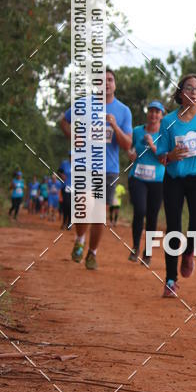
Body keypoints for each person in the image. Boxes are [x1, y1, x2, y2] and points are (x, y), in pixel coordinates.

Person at [60, 68, 132, 270]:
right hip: (84, 165)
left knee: (99, 213)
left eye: (110, 80)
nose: (106, 83)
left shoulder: (123, 111)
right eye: (102, 80)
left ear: (114, 85)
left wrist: (115, 126)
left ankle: (92, 253)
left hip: (108, 169)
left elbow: (127, 144)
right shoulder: (83, 104)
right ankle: (80, 238)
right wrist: (74, 136)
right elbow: (64, 122)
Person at [155, 74, 196, 298]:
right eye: (189, 88)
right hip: (173, 179)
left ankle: (189, 252)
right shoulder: (167, 122)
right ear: (181, 93)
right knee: (173, 228)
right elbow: (161, 156)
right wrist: (171, 155)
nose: (193, 92)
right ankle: (171, 279)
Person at [127, 100, 166, 265]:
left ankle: (148, 253)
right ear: (147, 113)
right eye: (151, 111)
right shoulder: (137, 131)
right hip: (137, 177)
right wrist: (130, 154)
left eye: (157, 112)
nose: (154, 115)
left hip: (158, 180)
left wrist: (152, 145)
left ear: (161, 116)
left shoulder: (165, 135)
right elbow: (130, 148)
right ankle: (135, 247)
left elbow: (165, 159)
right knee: (140, 210)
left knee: (152, 216)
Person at [58, 155, 72, 229]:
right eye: (70, 156)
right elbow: (58, 172)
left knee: (71, 205)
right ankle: (64, 222)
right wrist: (61, 175)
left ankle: (69, 222)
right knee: (65, 205)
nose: (71, 158)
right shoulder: (64, 163)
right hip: (65, 186)